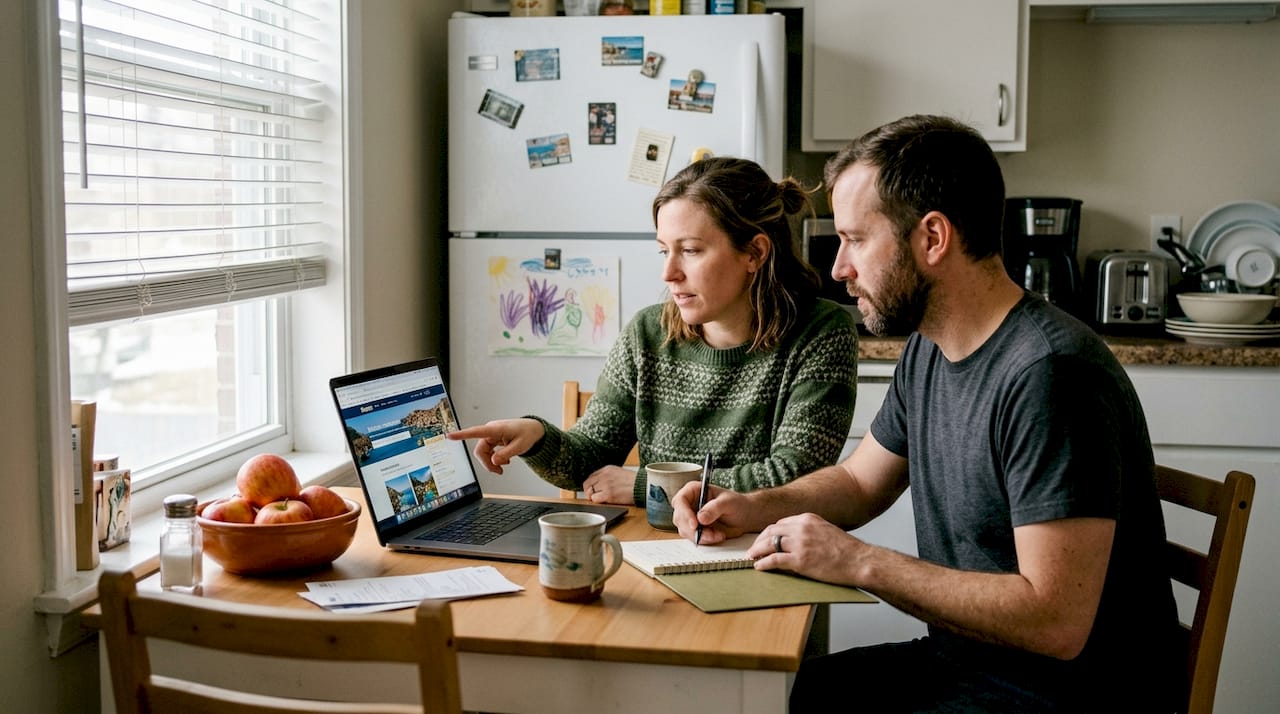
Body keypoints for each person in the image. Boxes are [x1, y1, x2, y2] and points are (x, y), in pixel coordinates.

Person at [671, 116, 1181, 712]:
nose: (839, 268)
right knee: (800, 692)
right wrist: (753, 505)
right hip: (970, 662)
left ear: (933, 238)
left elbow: (1056, 621)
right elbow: (862, 482)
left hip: (1066, 695)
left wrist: (857, 561)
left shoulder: (1051, 375)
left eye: (856, 240)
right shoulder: (931, 347)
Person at [448, 156, 859, 507]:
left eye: (691, 250)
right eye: (664, 250)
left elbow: (795, 478)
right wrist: (536, 437)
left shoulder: (821, 333)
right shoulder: (649, 332)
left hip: (770, 554)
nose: (669, 273)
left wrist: (648, 486)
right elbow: (589, 461)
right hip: (656, 551)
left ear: (754, 253)